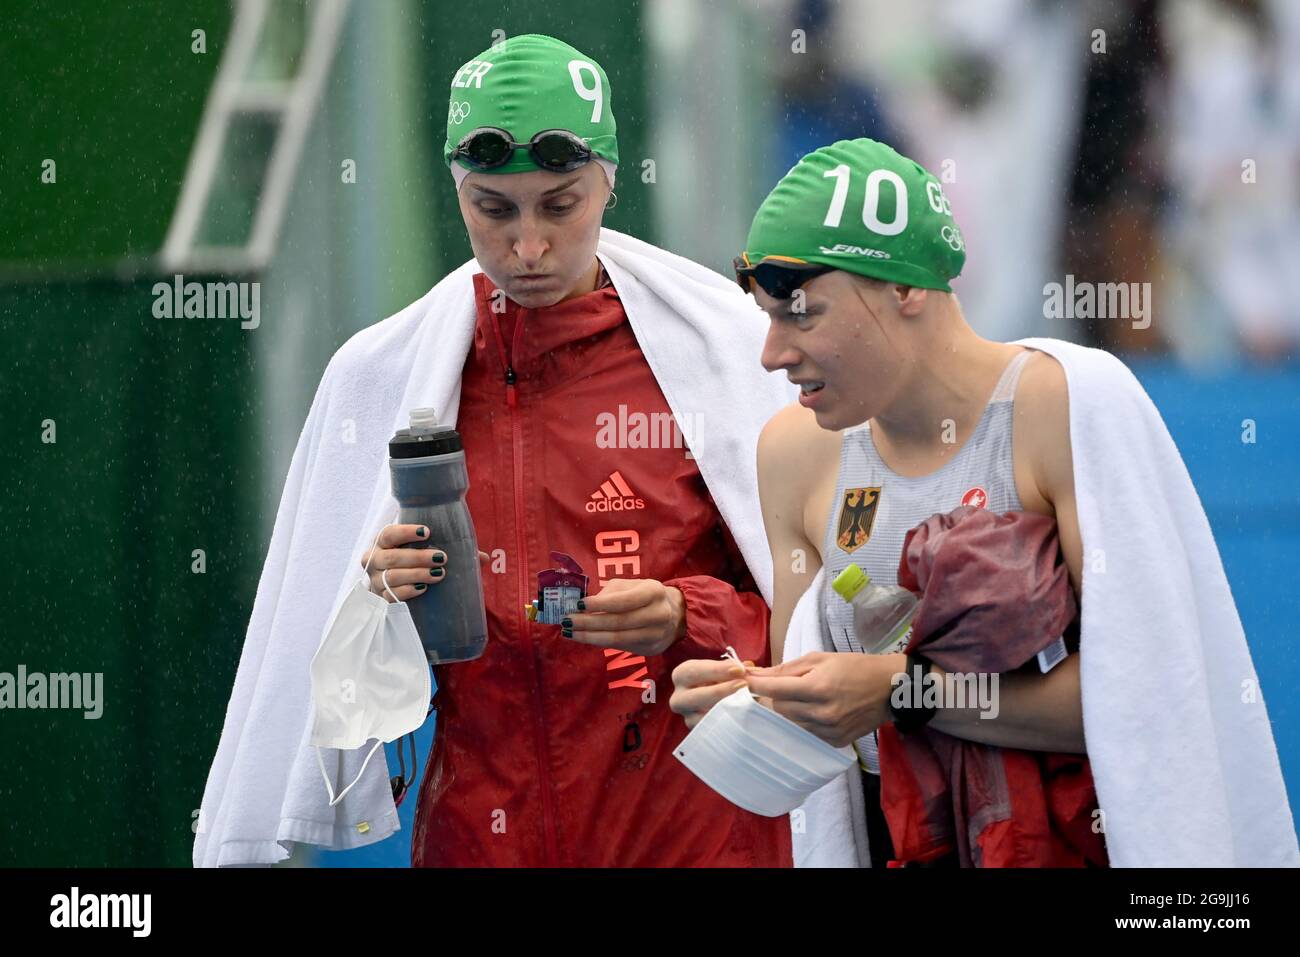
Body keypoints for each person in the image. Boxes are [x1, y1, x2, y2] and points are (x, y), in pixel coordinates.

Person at [193, 34, 794, 868]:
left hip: (690, 828)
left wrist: (691, 617)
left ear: (612, 182)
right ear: (457, 192)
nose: (528, 247)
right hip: (483, 826)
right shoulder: (392, 375)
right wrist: (381, 596)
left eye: (560, 203)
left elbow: (823, 615)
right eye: (494, 209)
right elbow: (328, 646)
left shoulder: (724, 353)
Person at [669, 138, 1298, 867]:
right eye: (767, 317)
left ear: (903, 288)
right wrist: (750, 698)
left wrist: (905, 690)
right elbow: (826, 721)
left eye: (800, 314)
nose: (771, 353)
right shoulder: (793, 453)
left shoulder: (1064, 405)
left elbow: (1152, 692)